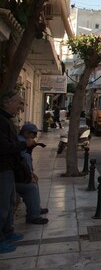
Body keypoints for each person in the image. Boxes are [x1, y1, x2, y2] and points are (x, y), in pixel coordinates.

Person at [0, 90, 36, 253]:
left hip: (9, 168)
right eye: (19, 102)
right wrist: (24, 144)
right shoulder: (1, 121)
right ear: (7, 102)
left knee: (9, 203)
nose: (21, 107)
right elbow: (3, 147)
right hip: (2, 168)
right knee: (2, 205)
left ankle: (8, 232)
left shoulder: (7, 120)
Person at [15, 123, 49, 225]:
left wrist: (31, 173)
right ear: (26, 133)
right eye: (33, 134)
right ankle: (33, 216)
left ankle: (36, 209)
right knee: (31, 187)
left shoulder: (24, 142)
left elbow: (27, 162)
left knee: (34, 183)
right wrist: (29, 175)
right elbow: (22, 162)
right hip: (15, 178)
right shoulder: (21, 143)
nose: (35, 137)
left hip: (20, 175)